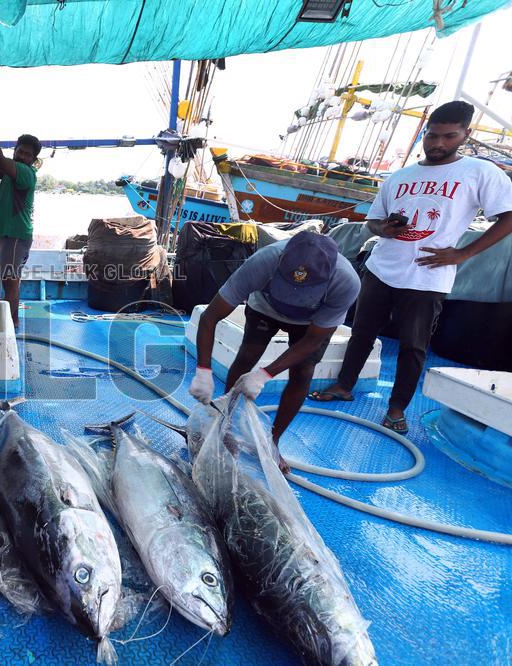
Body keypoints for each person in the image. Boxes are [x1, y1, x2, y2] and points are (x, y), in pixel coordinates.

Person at [310, 101, 512, 433]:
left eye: (449, 136)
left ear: (466, 134)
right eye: (432, 136)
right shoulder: (401, 176)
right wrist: (383, 229)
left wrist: (463, 254)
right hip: (380, 268)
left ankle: (396, 409)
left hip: (428, 276)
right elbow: (373, 222)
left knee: (413, 346)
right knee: (360, 333)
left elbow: (508, 217)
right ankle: (343, 386)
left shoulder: (480, 172)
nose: (438, 144)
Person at [190, 233, 360, 473]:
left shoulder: (347, 282)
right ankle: (225, 426)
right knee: (248, 354)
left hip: (311, 321)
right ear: (281, 261)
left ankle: (273, 441)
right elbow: (210, 317)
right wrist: (204, 371)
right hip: (266, 307)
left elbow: (313, 340)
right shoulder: (262, 261)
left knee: (303, 371)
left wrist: (264, 375)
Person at [0, 102, 40, 328]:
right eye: (19, 151)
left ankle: (12, 323)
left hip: (16, 236)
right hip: (10, 235)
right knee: (11, 279)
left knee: (9, 281)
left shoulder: (24, 172)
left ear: (33, 160)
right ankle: (11, 320)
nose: (22, 156)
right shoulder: (11, 170)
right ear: (14, 150)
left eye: (27, 154)